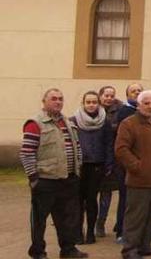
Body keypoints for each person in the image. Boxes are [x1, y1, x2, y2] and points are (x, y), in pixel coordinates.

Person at [22, 88, 87, 259]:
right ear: (44, 102)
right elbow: (27, 152)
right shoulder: (35, 123)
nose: (58, 101)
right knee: (39, 221)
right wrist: (33, 178)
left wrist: (77, 170)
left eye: (60, 98)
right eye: (53, 98)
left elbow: (78, 148)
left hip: (68, 180)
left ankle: (68, 249)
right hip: (45, 180)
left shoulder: (68, 122)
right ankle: (37, 252)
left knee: (68, 219)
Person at [115, 90, 151, 259]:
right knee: (135, 217)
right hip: (138, 180)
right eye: (146, 103)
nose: (150, 106)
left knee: (150, 216)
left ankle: (145, 246)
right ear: (138, 105)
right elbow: (121, 150)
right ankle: (130, 249)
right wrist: (137, 166)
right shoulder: (129, 124)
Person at [70, 91, 113, 244]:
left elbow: (109, 143)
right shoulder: (73, 120)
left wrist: (109, 164)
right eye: (88, 102)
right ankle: (77, 232)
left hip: (97, 165)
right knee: (78, 200)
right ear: (83, 103)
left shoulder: (105, 121)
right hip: (79, 166)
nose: (91, 105)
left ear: (98, 103)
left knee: (91, 199)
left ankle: (90, 232)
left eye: (94, 102)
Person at [109, 83, 142, 243]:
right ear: (127, 94)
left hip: (142, 163)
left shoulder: (144, 112)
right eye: (133, 91)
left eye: (139, 91)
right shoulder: (124, 112)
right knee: (126, 198)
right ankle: (121, 231)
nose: (136, 93)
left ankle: (139, 229)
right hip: (125, 163)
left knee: (139, 200)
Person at [96, 86, 121, 239]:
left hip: (111, 157)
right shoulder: (91, 108)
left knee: (106, 194)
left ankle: (101, 223)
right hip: (93, 157)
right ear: (100, 96)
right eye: (106, 95)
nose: (109, 98)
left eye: (111, 95)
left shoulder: (120, 110)